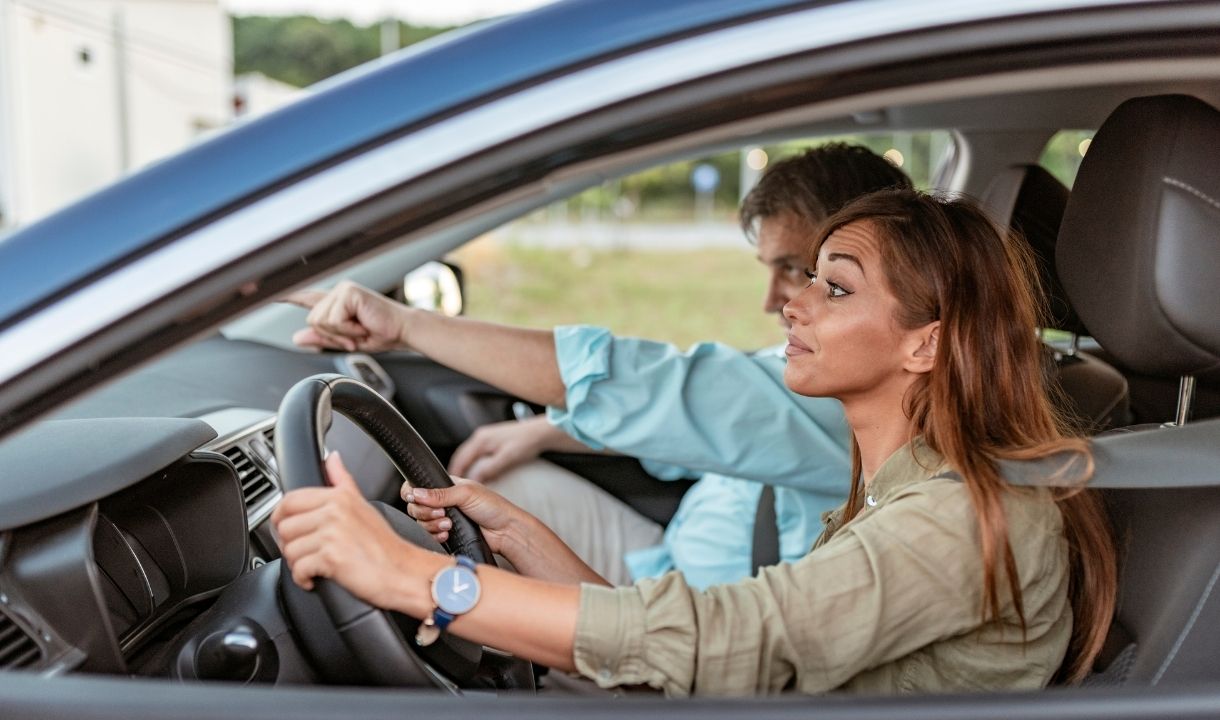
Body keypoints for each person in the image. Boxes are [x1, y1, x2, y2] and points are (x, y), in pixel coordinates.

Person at [272, 189, 1117, 696]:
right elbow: (709, 656)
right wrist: (520, 541)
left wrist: (415, 579)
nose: (792, 303)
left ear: (924, 344)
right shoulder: (906, 486)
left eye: (832, 287)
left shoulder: (959, 519)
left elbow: (730, 641)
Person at [288, 144, 913, 588]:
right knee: (497, 491)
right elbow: (707, 418)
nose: (777, 300)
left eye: (812, 275)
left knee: (447, 550)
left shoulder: (851, 395)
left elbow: (664, 391)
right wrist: (545, 429)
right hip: (669, 571)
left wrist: (406, 324)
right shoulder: (819, 374)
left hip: (701, 613)